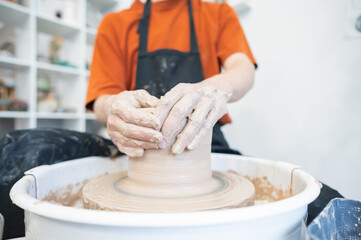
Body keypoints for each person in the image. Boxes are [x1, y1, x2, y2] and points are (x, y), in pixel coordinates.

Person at [86, 0, 256, 156]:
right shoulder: (114, 24)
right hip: (140, 147)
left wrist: (218, 86)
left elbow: (243, 68)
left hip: (204, 144)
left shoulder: (217, 13)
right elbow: (102, 98)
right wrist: (112, 106)